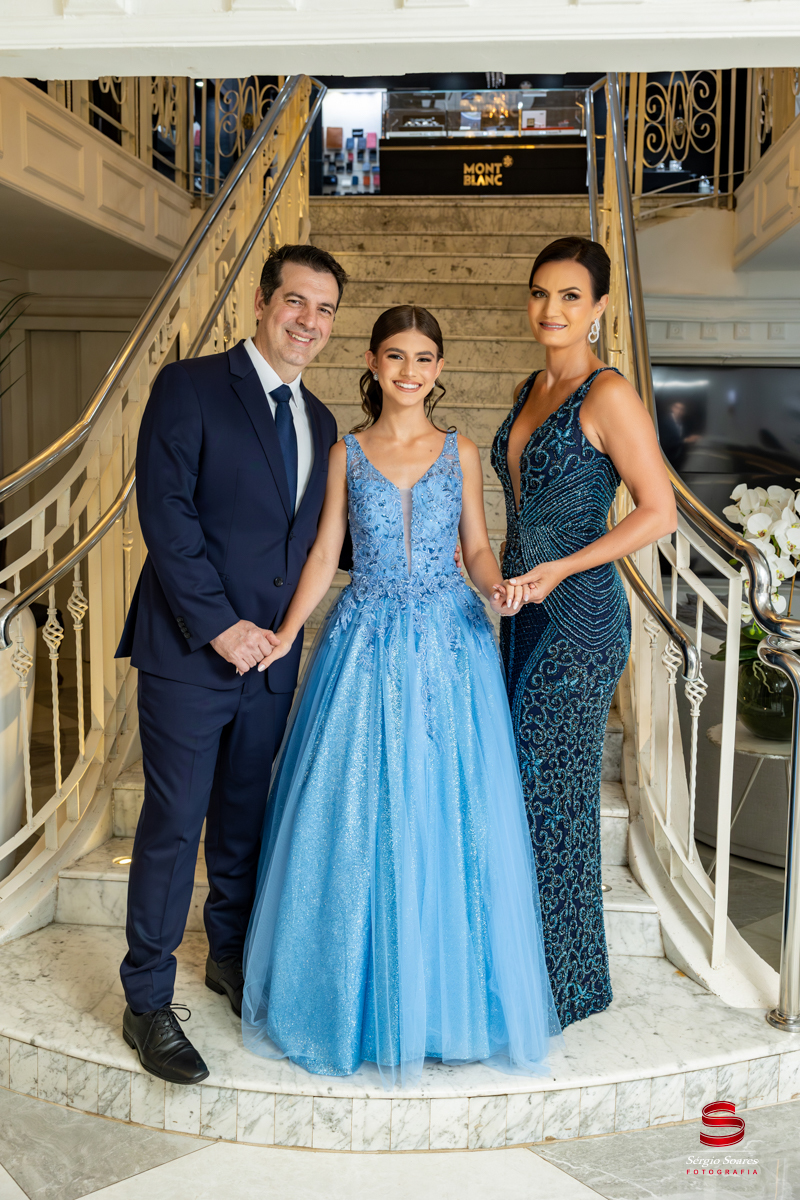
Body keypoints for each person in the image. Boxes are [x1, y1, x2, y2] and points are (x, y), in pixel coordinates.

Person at [241, 305, 561, 1086]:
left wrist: (496, 587)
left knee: (448, 812)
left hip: (452, 644)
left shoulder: (462, 451)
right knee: (360, 812)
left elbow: (476, 547)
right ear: (372, 363)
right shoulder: (345, 453)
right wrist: (285, 633)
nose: (409, 371)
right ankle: (353, 996)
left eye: (423, 358)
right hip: (366, 640)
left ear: (439, 368)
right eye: (395, 356)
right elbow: (326, 553)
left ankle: (445, 1005)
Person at [115, 243, 347, 1084]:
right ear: (261, 301)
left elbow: (314, 542)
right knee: (175, 825)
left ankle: (228, 956)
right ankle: (147, 999)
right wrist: (220, 628)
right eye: (296, 301)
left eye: (324, 310)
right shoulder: (191, 386)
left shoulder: (323, 422)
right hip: (190, 652)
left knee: (244, 820)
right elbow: (166, 514)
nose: (308, 321)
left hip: (271, 661)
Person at [490, 236, 676, 1029]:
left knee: (555, 800)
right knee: (521, 794)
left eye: (570, 296)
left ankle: (564, 988)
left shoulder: (609, 394)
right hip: (519, 613)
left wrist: (562, 566)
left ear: (599, 307)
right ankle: (522, 969)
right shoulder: (530, 387)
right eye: (540, 293)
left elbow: (658, 511)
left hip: (579, 621)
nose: (551, 309)